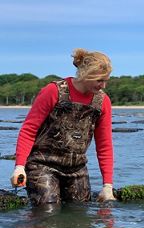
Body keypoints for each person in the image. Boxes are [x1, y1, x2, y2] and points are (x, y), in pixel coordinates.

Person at [10, 48, 116, 205]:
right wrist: (19, 166)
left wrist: (107, 185)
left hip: (77, 169)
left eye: (106, 80)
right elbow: (28, 130)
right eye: (100, 80)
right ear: (86, 74)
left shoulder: (103, 102)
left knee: (80, 214)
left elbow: (104, 145)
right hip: (42, 165)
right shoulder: (53, 91)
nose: (104, 85)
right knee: (48, 212)